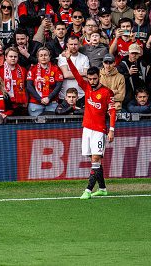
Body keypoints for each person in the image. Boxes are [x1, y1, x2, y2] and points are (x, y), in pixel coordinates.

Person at [64, 50, 116, 199]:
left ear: (99, 77)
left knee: (95, 159)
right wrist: (68, 60)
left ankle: (88, 190)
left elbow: (112, 111)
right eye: (90, 79)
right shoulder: (86, 87)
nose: (92, 81)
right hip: (86, 129)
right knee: (94, 160)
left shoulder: (107, 92)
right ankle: (103, 188)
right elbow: (75, 73)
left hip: (99, 130)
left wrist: (111, 129)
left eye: (94, 79)